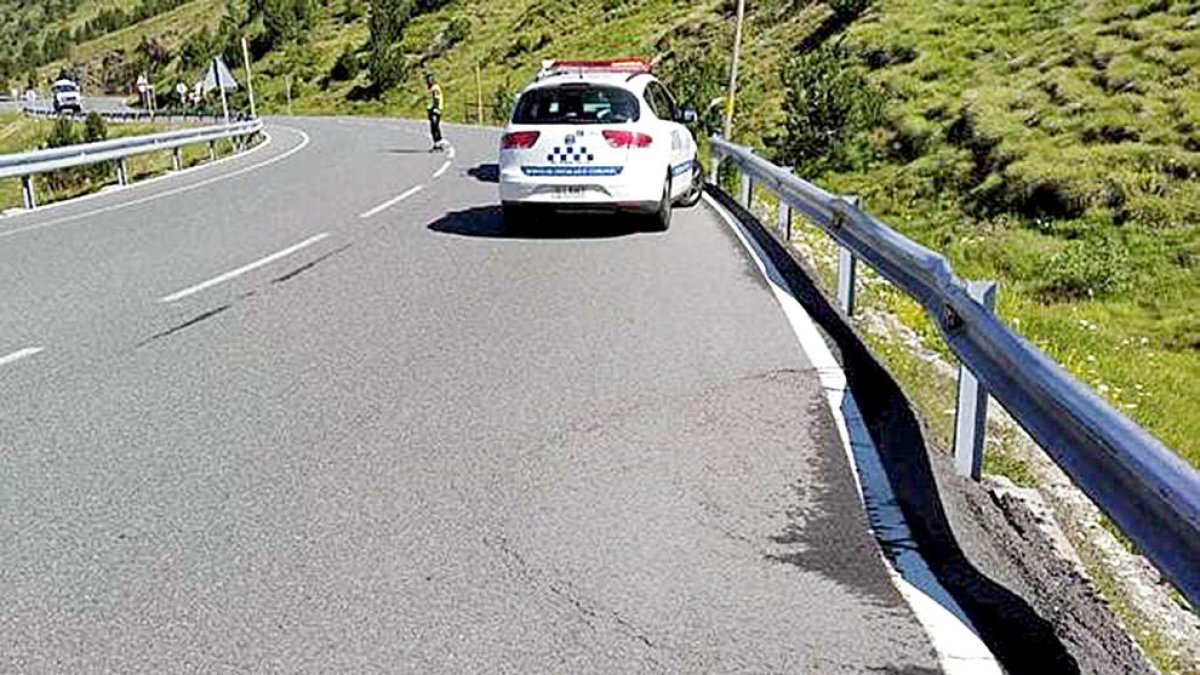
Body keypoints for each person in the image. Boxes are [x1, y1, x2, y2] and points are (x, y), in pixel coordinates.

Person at [426, 73, 447, 152]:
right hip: (431, 109)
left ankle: (438, 143)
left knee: (435, 126)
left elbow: (437, 98)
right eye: (428, 80)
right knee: (433, 127)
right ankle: (437, 143)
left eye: (430, 80)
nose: (429, 81)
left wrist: (437, 108)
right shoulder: (431, 88)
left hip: (435, 110)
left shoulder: (435, 88)